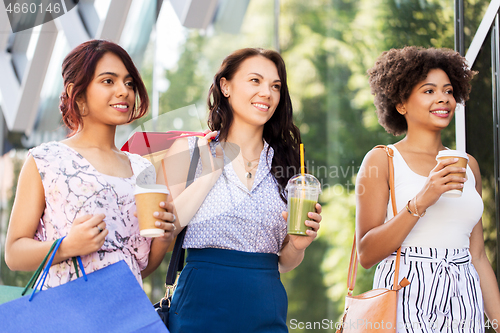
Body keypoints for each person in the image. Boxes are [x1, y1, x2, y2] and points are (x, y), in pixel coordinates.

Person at [158, 48, 323, 332]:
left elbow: (283, 263)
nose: (267, 93)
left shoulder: (288, 165)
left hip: (265, 305)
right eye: (255, 81)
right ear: (226, 86)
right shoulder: (190, 150)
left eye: (275, 86)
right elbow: (165, 232)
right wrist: (208, 175)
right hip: (200, 305)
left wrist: (297, 246)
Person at [5, 40, 176, 287]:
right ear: (78, 93)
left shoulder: (142, 168)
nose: (124, 91)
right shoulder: (46, 160)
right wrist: (66, 247)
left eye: (129, 83)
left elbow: (139, 266)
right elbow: (13, 254)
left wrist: (162, 238)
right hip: (68, 314)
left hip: (127, 311)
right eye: (109, 81)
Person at [356, 46, 500, 332]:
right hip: (406, 295)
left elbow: (478, 256)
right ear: (401, 104)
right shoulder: (382, 160)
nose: (443, 98)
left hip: (463, 297)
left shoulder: (468, 165)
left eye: (448, 90)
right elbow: (366, 254)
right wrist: (424, 198)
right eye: (429, 91)